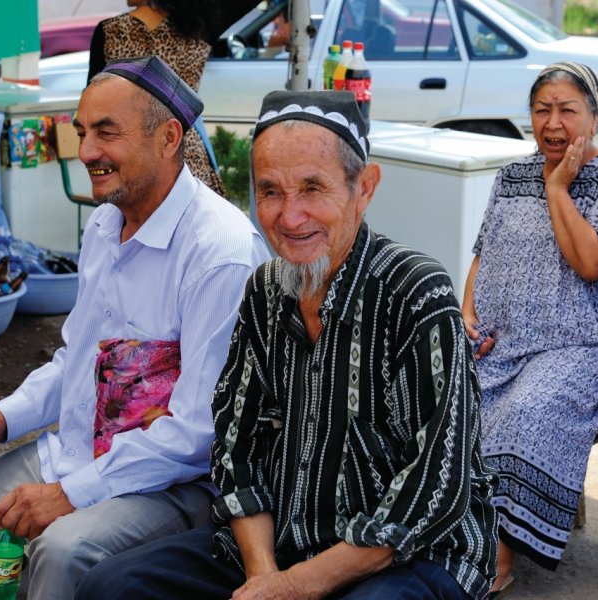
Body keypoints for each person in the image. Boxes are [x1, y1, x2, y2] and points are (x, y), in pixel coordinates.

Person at [76, 90, 500, 600]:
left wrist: (294, 587)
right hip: (284, 543)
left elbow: (436, 484)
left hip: (410, 557)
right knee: (112, 587)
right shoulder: (264, 291)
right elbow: (237, 449)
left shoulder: (415, 292)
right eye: (270, 191)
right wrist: (263, 578)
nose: (289, 216)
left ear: (363, 188)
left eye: (313, 189)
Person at [0, 56, 269, 600]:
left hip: (173, 483)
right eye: (82, 132)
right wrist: (1, 416)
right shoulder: (104, 225)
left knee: (62, 551)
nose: (87, 151)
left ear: (167, 138)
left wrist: (70, 495)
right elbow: (77, 361)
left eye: (106, 132)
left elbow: (197, 435)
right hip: (74, 451)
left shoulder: (220, 252)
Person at [461, 61, 598, 593]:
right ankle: (449, 534)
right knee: (447, 399)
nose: (553, 122)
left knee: (528, 411)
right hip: (505, 338)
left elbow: (589, 264)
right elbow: (484, 254)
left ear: (594, 117)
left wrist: (560, 188)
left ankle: (497, 556)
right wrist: (468, 313)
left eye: (567, 110)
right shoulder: (511, 176)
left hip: (588, 343)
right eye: (542, 110)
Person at [87, 0, 226, 196]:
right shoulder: (197, 27)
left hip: (128, 148)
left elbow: (93, 102)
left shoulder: (110, 31)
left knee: (133, 221)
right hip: (186, 150)